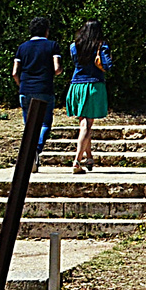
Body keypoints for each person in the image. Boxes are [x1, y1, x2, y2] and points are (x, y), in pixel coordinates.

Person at [12, 17, 61, 172]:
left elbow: (14, 72)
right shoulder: (52, 45)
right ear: (46, 31)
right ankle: (36, 149)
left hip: (25, 89)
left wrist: (22, 85)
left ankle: (29, 153)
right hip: (44, 88)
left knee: (29, 126)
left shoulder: (22, 47)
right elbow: (57, 68)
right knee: (45, 124)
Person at [65, 20, 112, 174]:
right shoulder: (101, 45)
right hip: (93, 85)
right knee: (87, 124)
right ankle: (77, 161)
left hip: (76, 85)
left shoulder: (74, 46)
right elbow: (108, 66)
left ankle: (89, 157)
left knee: (83, 122)